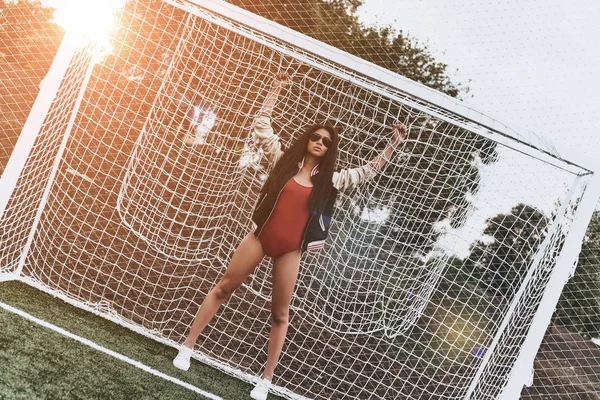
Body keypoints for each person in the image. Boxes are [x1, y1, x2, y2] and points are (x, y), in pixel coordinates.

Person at [172, 72, 407, 400]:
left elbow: (368, 172)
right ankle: (187, 347)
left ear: (329, 149)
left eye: (326, 142)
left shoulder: (332, 180)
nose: (320, 143)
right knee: (223, 288)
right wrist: (274, 89)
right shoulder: (282, 161)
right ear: (308, 138)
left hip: (290, 250)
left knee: (280, 315)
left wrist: (392, 145)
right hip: (258, 238)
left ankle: (265, 380)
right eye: (316, 137)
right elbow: (262, 126)